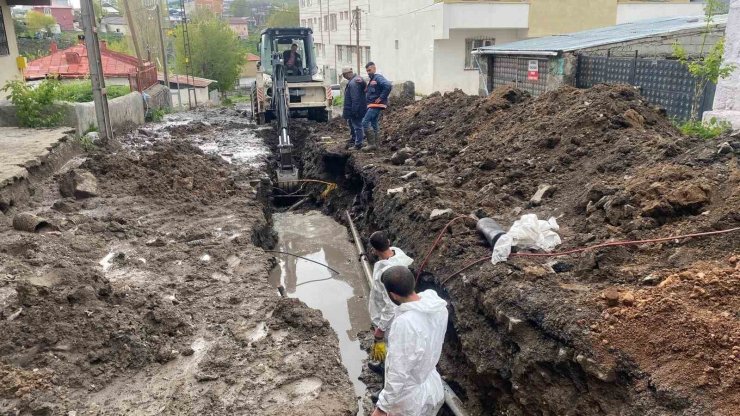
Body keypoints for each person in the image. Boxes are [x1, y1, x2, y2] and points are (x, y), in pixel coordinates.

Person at [371, 265, 448, 416]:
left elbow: (398, 372)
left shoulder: (405, 323)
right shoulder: (438, 308)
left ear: (393, 295)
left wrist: (382, 408)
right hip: (430, 384)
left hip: (408, 400)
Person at [368, 231, 414, 369]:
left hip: (388, 318)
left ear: (375, 250)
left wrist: (381, 329)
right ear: (388, 242)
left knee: (390, 347)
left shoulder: (386, 274)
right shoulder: (397, 253)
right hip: (399, 311)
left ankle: (387, 370)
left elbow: (390, 305)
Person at [362, 62, 392, 151]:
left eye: (369, 70)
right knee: (374, 123)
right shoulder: (372, 79)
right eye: (367, 71)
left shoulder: (378, 77)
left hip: (376, 105)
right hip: (373, 105)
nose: (368, 72)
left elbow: (388, 85)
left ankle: (371, 144)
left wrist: (381, 97)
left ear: (374, 69)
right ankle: (376, 144)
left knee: (365, 122)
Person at [341, 66, 367, 150]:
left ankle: (358, 144)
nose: (344, 77)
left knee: (357, 126)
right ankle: (355, 140)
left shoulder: (353, 83)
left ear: (347, 74)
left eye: (344, 75)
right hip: (356, 108)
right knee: (354, 125)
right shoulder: (356, 80)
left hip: (356, 109)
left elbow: (355, 98)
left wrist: (354, 111)